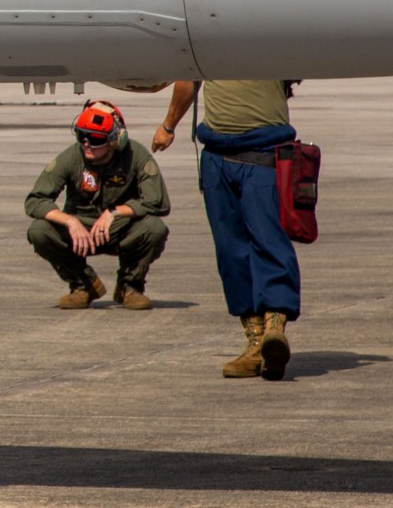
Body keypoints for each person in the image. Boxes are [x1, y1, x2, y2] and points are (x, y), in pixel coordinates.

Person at [153, 80, 300, 380]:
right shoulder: (210, 39)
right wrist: (168, 125)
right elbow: (188, 77)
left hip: (263, 153)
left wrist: (169, 125)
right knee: (230, 252)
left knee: (268, 242)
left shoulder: (269, 35)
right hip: (217, 157)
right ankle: (258, 340)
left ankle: (273, 329)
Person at [25, 100, 170, 309]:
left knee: (155, 229)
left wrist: (115, 211)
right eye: (81, 135)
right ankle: (83, 284)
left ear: (114, 140)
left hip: (120, 228)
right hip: (80, 231)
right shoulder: (72, 157)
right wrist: (69, 221)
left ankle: (129, 286)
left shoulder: (135, 156)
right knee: (39, 231)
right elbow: (35, 200)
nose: (86, 143)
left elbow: (158, 202)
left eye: (94, 139)